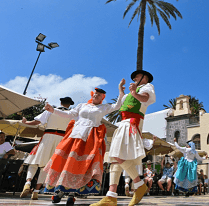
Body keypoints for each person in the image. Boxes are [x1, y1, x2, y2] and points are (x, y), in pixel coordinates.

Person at [43, 86, 124, 205]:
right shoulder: (82, 105)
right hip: (74, 135)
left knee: (81, 165)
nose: (96, 95)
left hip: (90, 138)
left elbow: (117, 105)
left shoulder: (104, 107)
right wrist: (53, 110)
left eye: (99, 95)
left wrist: (120, 91)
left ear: (102, 98)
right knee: (66, 162)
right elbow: (70, 114)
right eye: (95, 93)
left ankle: (71, 194)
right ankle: (59, 191)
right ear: (92, 95)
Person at [91, 70, 155, 206]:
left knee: (117, 156)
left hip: (132, 123)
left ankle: (138, 184)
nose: (134, 78)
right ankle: (111, 196)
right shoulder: (130, 93)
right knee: (114, 159)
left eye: (137, 76)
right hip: (123, 124)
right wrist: (121, 89)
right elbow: (121, 102)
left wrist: (134, 92)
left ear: (145, 78)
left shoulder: (147, 87)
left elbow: (144, 99)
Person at [20, 97, 74, 200]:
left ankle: (28, 183)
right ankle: (36, 191)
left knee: (35, 161)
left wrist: (25, 123)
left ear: (60, 102)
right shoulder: (71, 114)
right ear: (69, 105)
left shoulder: (50, 110)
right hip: (61, 140)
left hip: (48, 136)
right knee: (46, 165)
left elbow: (37, 122)